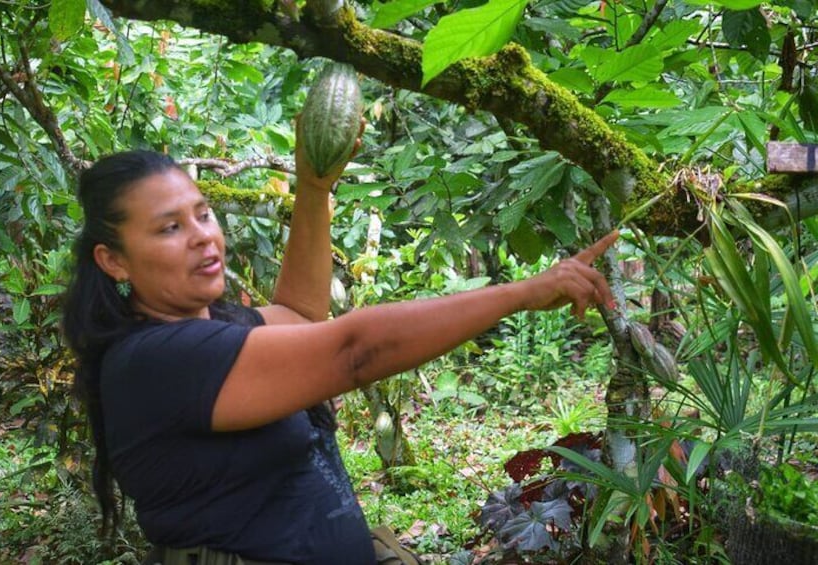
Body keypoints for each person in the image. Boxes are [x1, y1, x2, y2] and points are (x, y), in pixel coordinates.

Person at [61, 116, 618, 565]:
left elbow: (300, 314)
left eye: (203, 214)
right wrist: (520, 293)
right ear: (113, 261)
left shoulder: (215, 328)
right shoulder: (157, 360)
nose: (203, 235)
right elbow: (352, 350)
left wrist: (314, 185)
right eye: (169, 228)